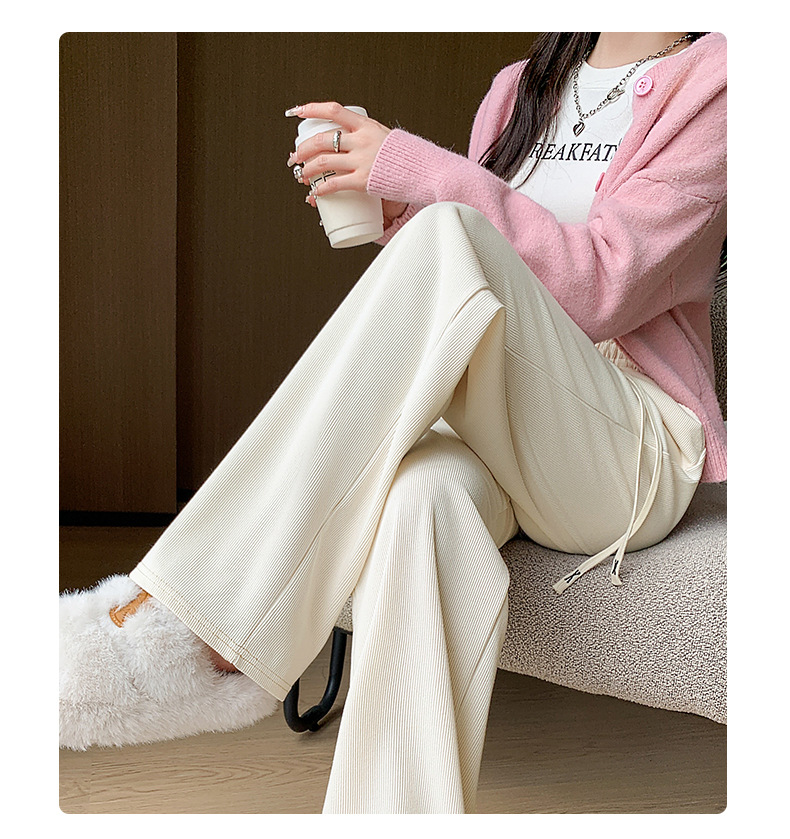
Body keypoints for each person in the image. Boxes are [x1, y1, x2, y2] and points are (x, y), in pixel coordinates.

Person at [59, 32, 727, 814]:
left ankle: (194, 623)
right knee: (421, 496)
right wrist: (398, 212)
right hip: (501, 425)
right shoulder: (522, 85)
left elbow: (602, 284)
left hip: (629, 449)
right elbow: (492, 277)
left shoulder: (720, 78)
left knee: (450, 235)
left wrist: (421, 174)